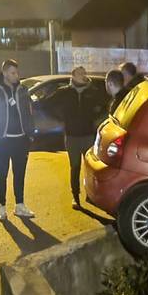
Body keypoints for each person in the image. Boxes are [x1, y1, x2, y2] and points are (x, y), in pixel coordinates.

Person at [41, 66, 109, 209]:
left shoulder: (93, 92)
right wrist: (59, 119)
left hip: (88, 136)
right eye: (80, 73)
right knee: (75, 167)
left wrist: (97, 119)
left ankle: (91, 195)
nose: (83, 75)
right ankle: (75, 196)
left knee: (91, 167)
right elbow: (46, 105)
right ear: (73, 75)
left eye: (84, 73)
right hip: (72, 137)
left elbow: (106, 106)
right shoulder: (64, 92)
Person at [0, 59, 36, 221]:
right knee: (1, 174)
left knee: (19, 174)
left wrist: (30, 134)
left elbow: (30, 112)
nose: (16, 76)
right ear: (4, 73)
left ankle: (20, 205)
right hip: (3, 140)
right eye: (12, 73)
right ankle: (1, 207)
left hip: (21, 140)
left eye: (17, 72)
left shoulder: (23, 90)